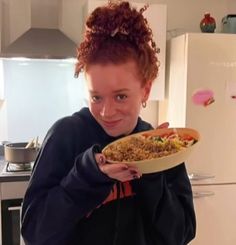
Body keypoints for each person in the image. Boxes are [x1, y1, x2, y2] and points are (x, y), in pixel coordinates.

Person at [21, 1, 196, 245]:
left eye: (121, 96)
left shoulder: (159, 146)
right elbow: (33, 233)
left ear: (145, 90)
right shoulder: (66, 136)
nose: (106, 111)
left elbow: (181, 234)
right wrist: (85, 177)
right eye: (96, 97)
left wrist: (152, 171)